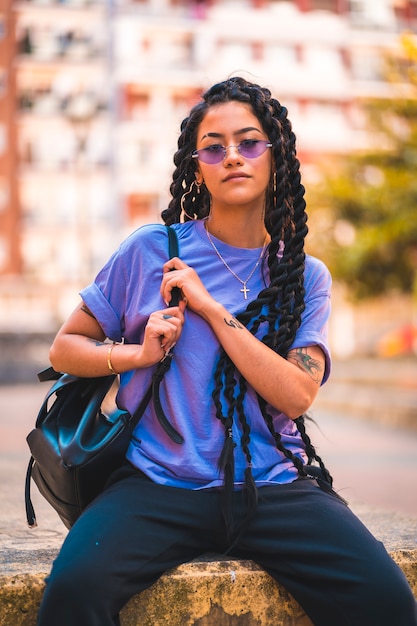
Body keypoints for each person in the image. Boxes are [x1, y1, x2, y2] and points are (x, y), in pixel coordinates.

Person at [37, 76, 416, 626]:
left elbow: (296, 394)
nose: (232, 156)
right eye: (214, 147)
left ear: (274, 156)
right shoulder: (150, 251)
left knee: (386, 602)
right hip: (159, 483)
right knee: (73, 590)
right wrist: (137, 354)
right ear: (198, 167)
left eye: (249, 142)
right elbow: (65, 347)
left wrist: (212, 310)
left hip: (276, 486)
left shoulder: (304, 277)